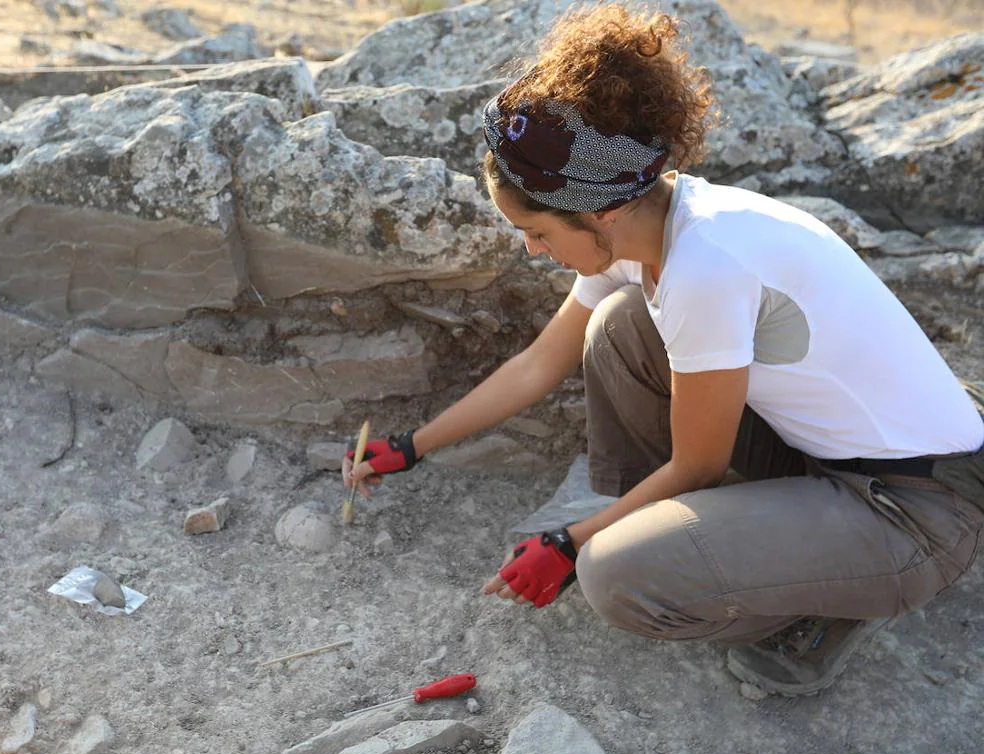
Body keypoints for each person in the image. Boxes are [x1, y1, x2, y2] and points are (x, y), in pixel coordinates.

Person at [341, 3, 984, 697]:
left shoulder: (705, 268)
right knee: (618, 328)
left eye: (536, 231)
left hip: (913, 509)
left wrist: (572, 543)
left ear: (598, 212)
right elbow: (538, 363)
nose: (530, 248)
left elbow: (697, 462)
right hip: (831, 452)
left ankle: (825, 599)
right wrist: (411, 445)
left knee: (617, 578)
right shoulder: (650, 220)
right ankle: (729, 541)